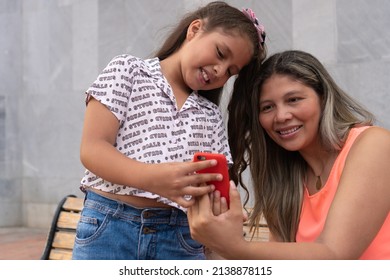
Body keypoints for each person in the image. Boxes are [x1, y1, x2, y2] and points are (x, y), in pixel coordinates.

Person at [72, 1, 267, 260]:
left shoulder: (209, 116)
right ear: (195, 29)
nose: (221, 70)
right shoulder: (129, 71)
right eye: (220, 52)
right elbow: (92, 149)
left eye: (231, 71)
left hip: (179, 239)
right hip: (110, 227)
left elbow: (210, 187)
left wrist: (222, 212)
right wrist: (153, 178)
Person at [188, 50, 390, 259]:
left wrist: (235, 248)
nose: (281, 116)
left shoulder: (373, 144)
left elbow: (335, 255)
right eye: (267, 107)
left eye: (293, 99)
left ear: (323, 98)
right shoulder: (285, 178)